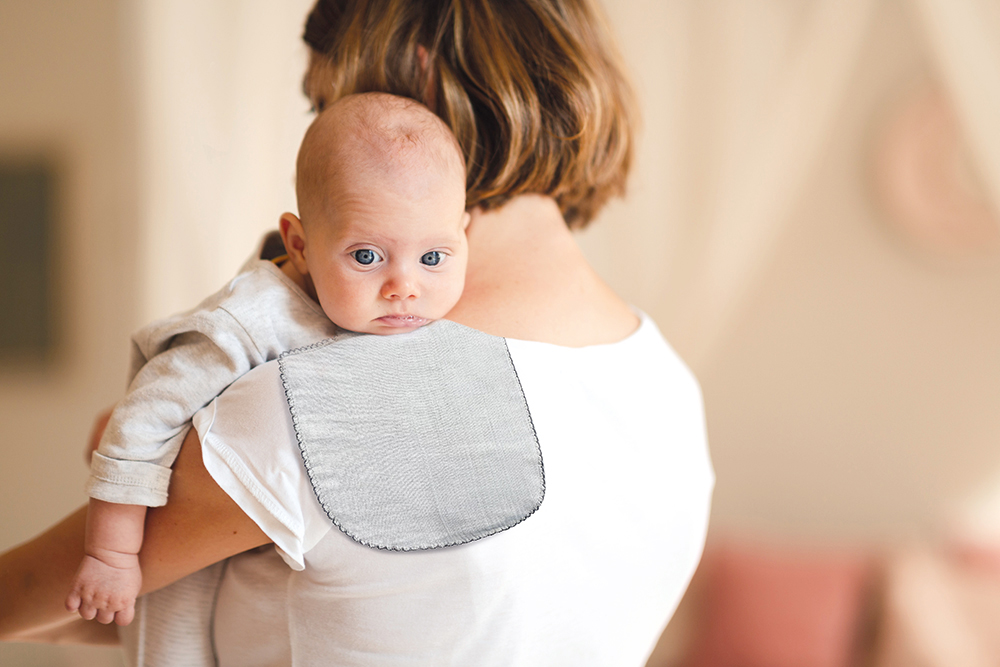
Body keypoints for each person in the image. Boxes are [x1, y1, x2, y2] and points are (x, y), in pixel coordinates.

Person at [0, 0, 714, 664]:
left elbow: (53, 593)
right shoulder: (667, 387)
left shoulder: (326, 400)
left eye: (325, 102)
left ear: (420, 76)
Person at [66, 91, 470, 626]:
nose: (404, 287)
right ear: (299, 244)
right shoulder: (250, 323)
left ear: (464, 236)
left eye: (433, 257)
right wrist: (111, 556)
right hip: (178, 558)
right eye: (366, 256)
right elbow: (144, 416)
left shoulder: (429, 322)